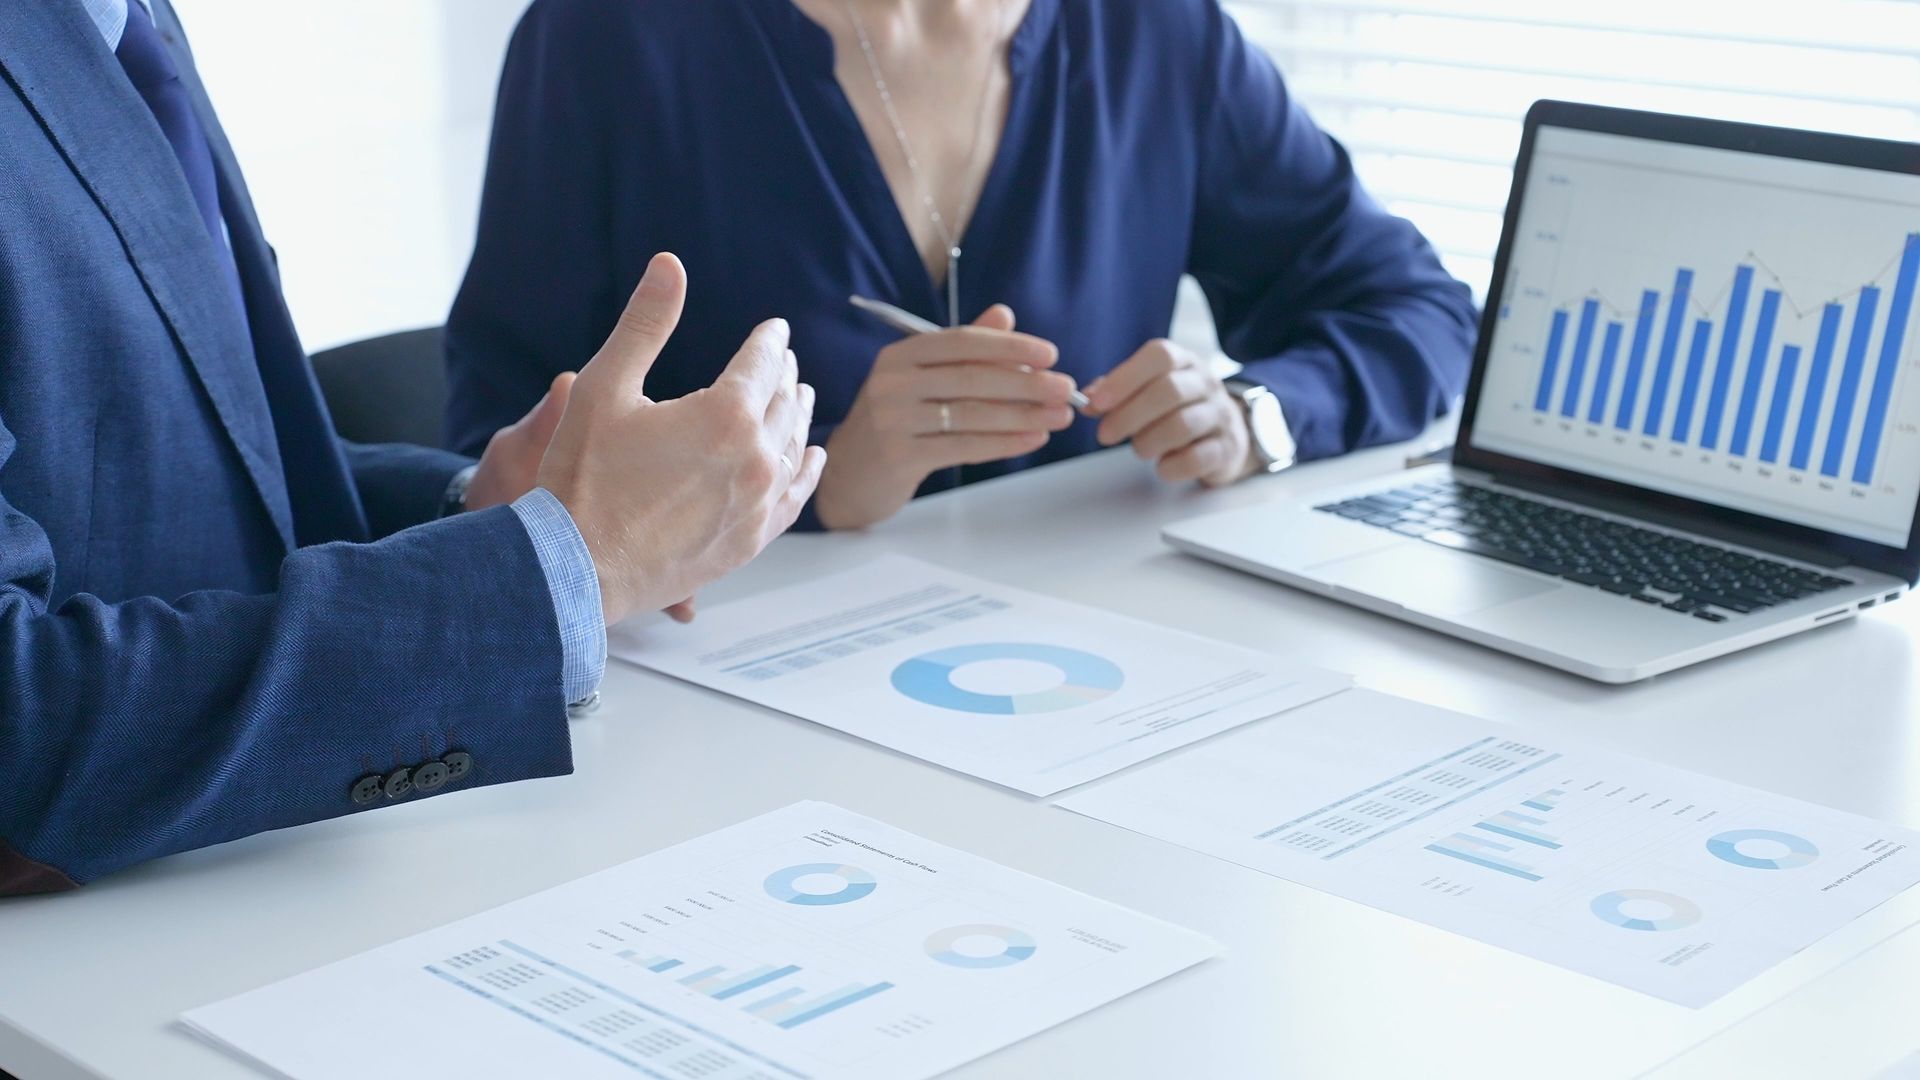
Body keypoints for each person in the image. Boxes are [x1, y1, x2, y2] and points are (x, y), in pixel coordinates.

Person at [0, 0, 825, 897]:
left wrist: (478, 511)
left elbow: (200, 474)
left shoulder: (120, 18)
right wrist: (556, 572)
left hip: (242, 885)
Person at [445, 0, 1478, 531]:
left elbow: (1417, 305)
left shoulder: (1155, 33)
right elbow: (493, 462)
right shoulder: (608, 39)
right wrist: (820, 486)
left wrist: (1254, 416)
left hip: (1095, 683)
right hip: (726, 719)